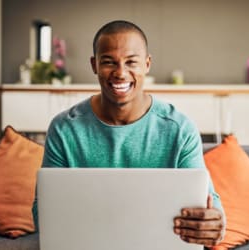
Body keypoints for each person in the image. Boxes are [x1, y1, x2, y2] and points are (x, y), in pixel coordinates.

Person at [42, 20, 224, 248]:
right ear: (94, 65)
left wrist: (215, 222)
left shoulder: (179, 129)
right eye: (109, 62)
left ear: (147, 64)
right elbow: (44, 213)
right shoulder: (64, 129)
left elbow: (207, 202)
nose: (120, 73)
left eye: (131, 62)